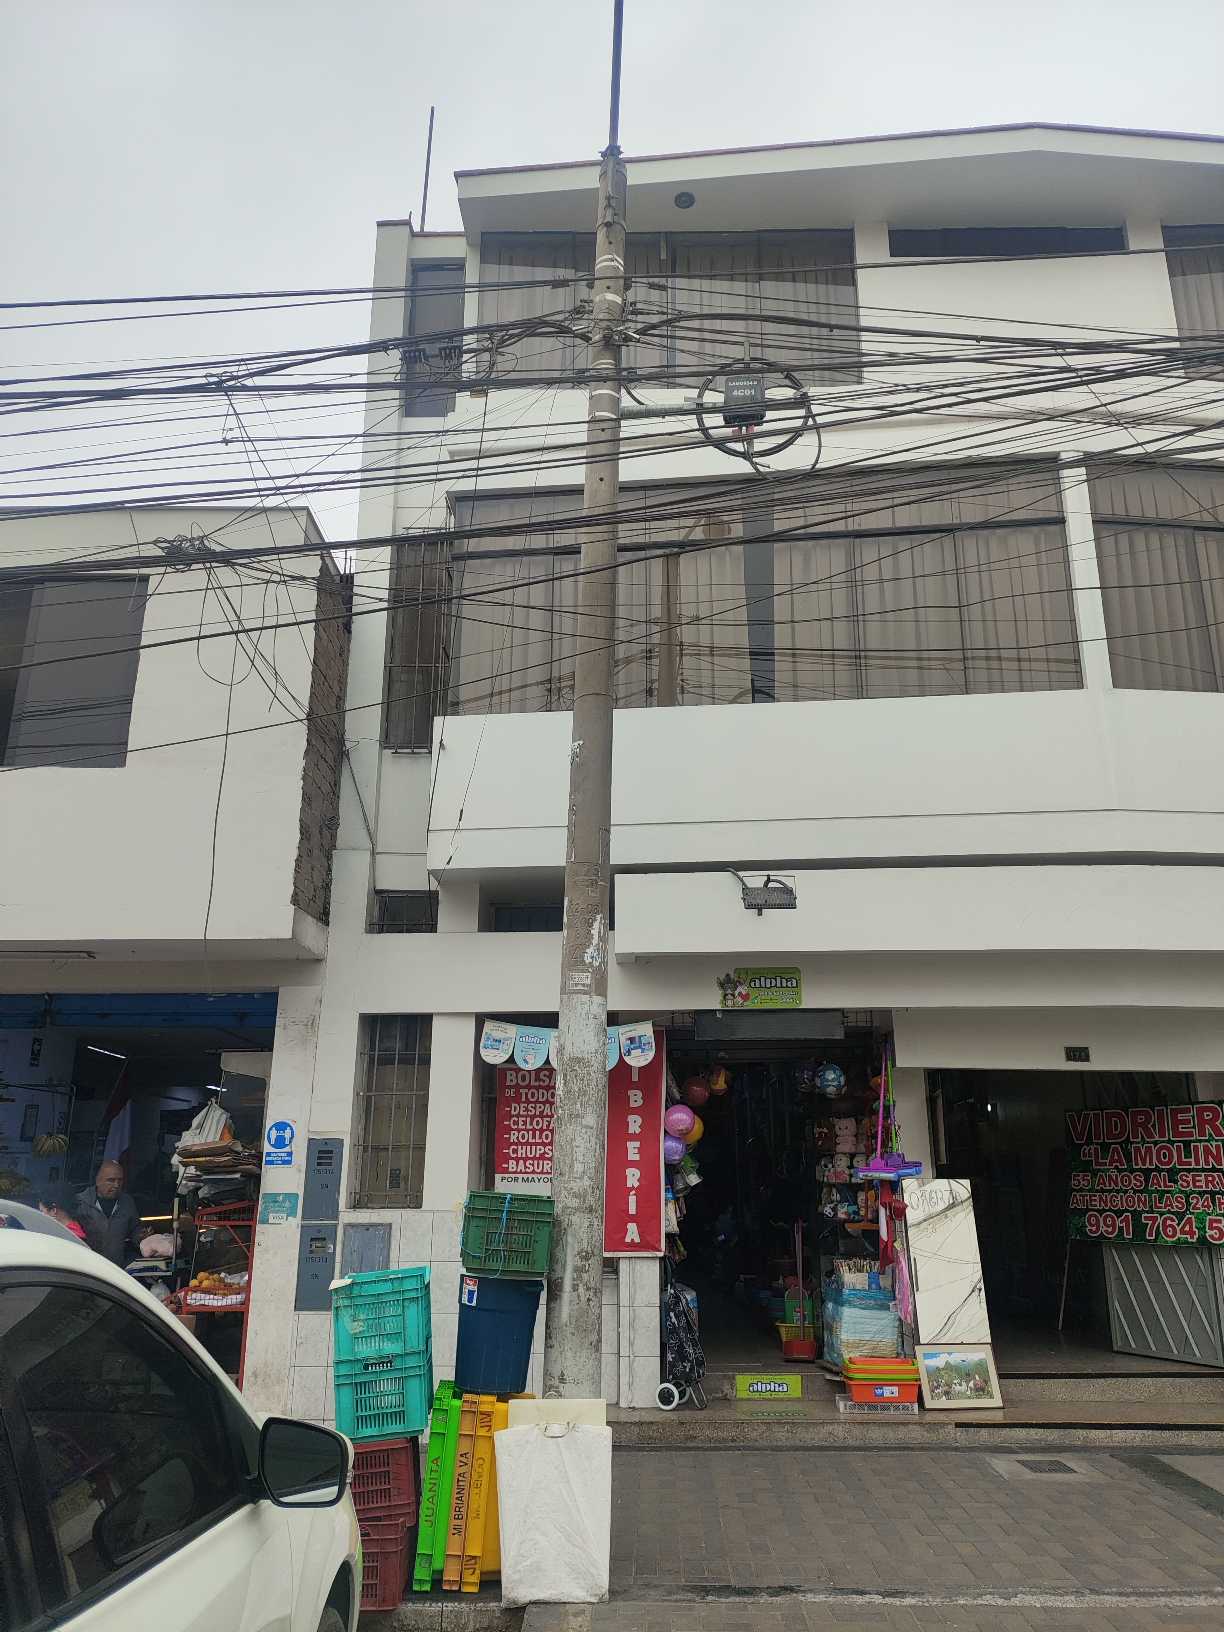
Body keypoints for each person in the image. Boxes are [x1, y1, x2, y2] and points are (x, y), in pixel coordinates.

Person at [77, 1160, 141, 1265]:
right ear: (98, 1181)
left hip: (116, 1269)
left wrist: (140, 1236)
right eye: (111, 1180)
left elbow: (134, 1229)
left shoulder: (127, 1202)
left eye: (120, 1180)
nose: (116, 1185)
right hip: (88, 1267)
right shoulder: (80, 1203)